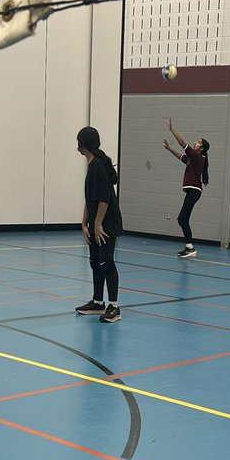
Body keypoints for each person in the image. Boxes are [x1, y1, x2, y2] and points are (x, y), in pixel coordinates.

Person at [74, 126, 123, 323]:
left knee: (106, 262)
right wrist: (84, 222)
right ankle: (97, 302)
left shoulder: (97, 166)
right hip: (96, 222)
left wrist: (98, 224)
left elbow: (104, 199)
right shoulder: (92, 164)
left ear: (82, 144)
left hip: (106, 223)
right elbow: (91, 198)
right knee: (95, 262)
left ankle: (114, 307)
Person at [162, 118, 209, 258]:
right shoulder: (194, 159)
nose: (195, 142)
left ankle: (190, 248)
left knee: (182, 218)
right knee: (183, 219)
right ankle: (189, 247)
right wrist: (170, 149)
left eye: (198, 142)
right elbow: (181, 157)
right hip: (193, 191)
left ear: (202, 148)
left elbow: (183, 144)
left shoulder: (199, 157)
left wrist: (172, 130)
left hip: (194, 191)